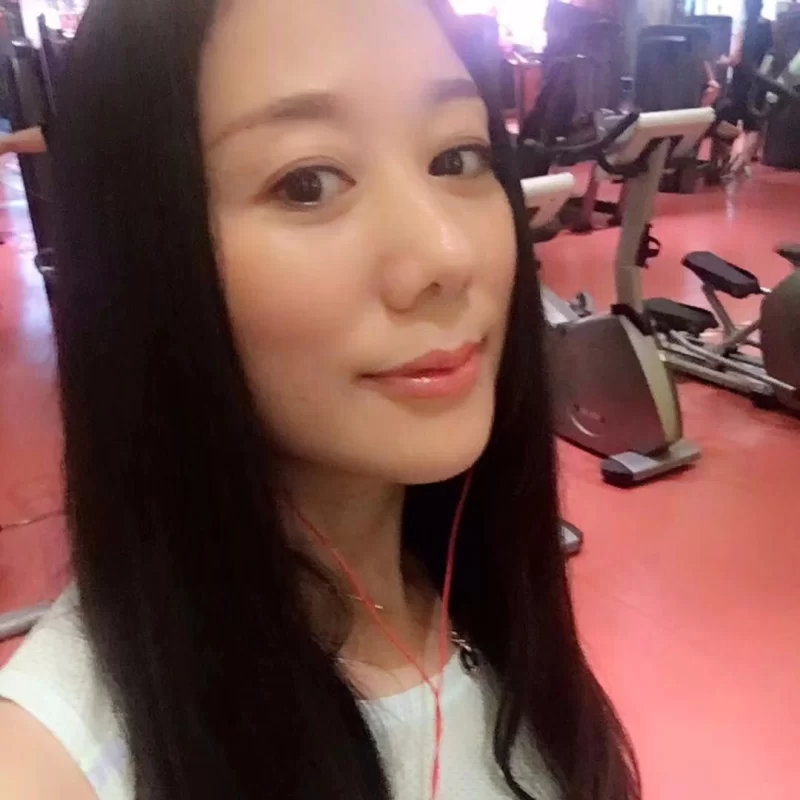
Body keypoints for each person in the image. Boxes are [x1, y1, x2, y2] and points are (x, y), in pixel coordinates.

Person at [0, 0, 640, 799]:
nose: (445, 255)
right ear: (147, 258)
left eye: (457, 157)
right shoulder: (55, 766)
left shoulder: (479, 590)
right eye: (307, 183)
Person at [718, 0, 775, 176]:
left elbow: (735, 58)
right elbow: (771, 54)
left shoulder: (742, 27)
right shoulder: (768, 27)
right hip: (758, 81)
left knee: (726, 120)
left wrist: (721, 61)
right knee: (753, 125)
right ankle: (742, 164)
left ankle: (724, 162)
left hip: (740, 81)